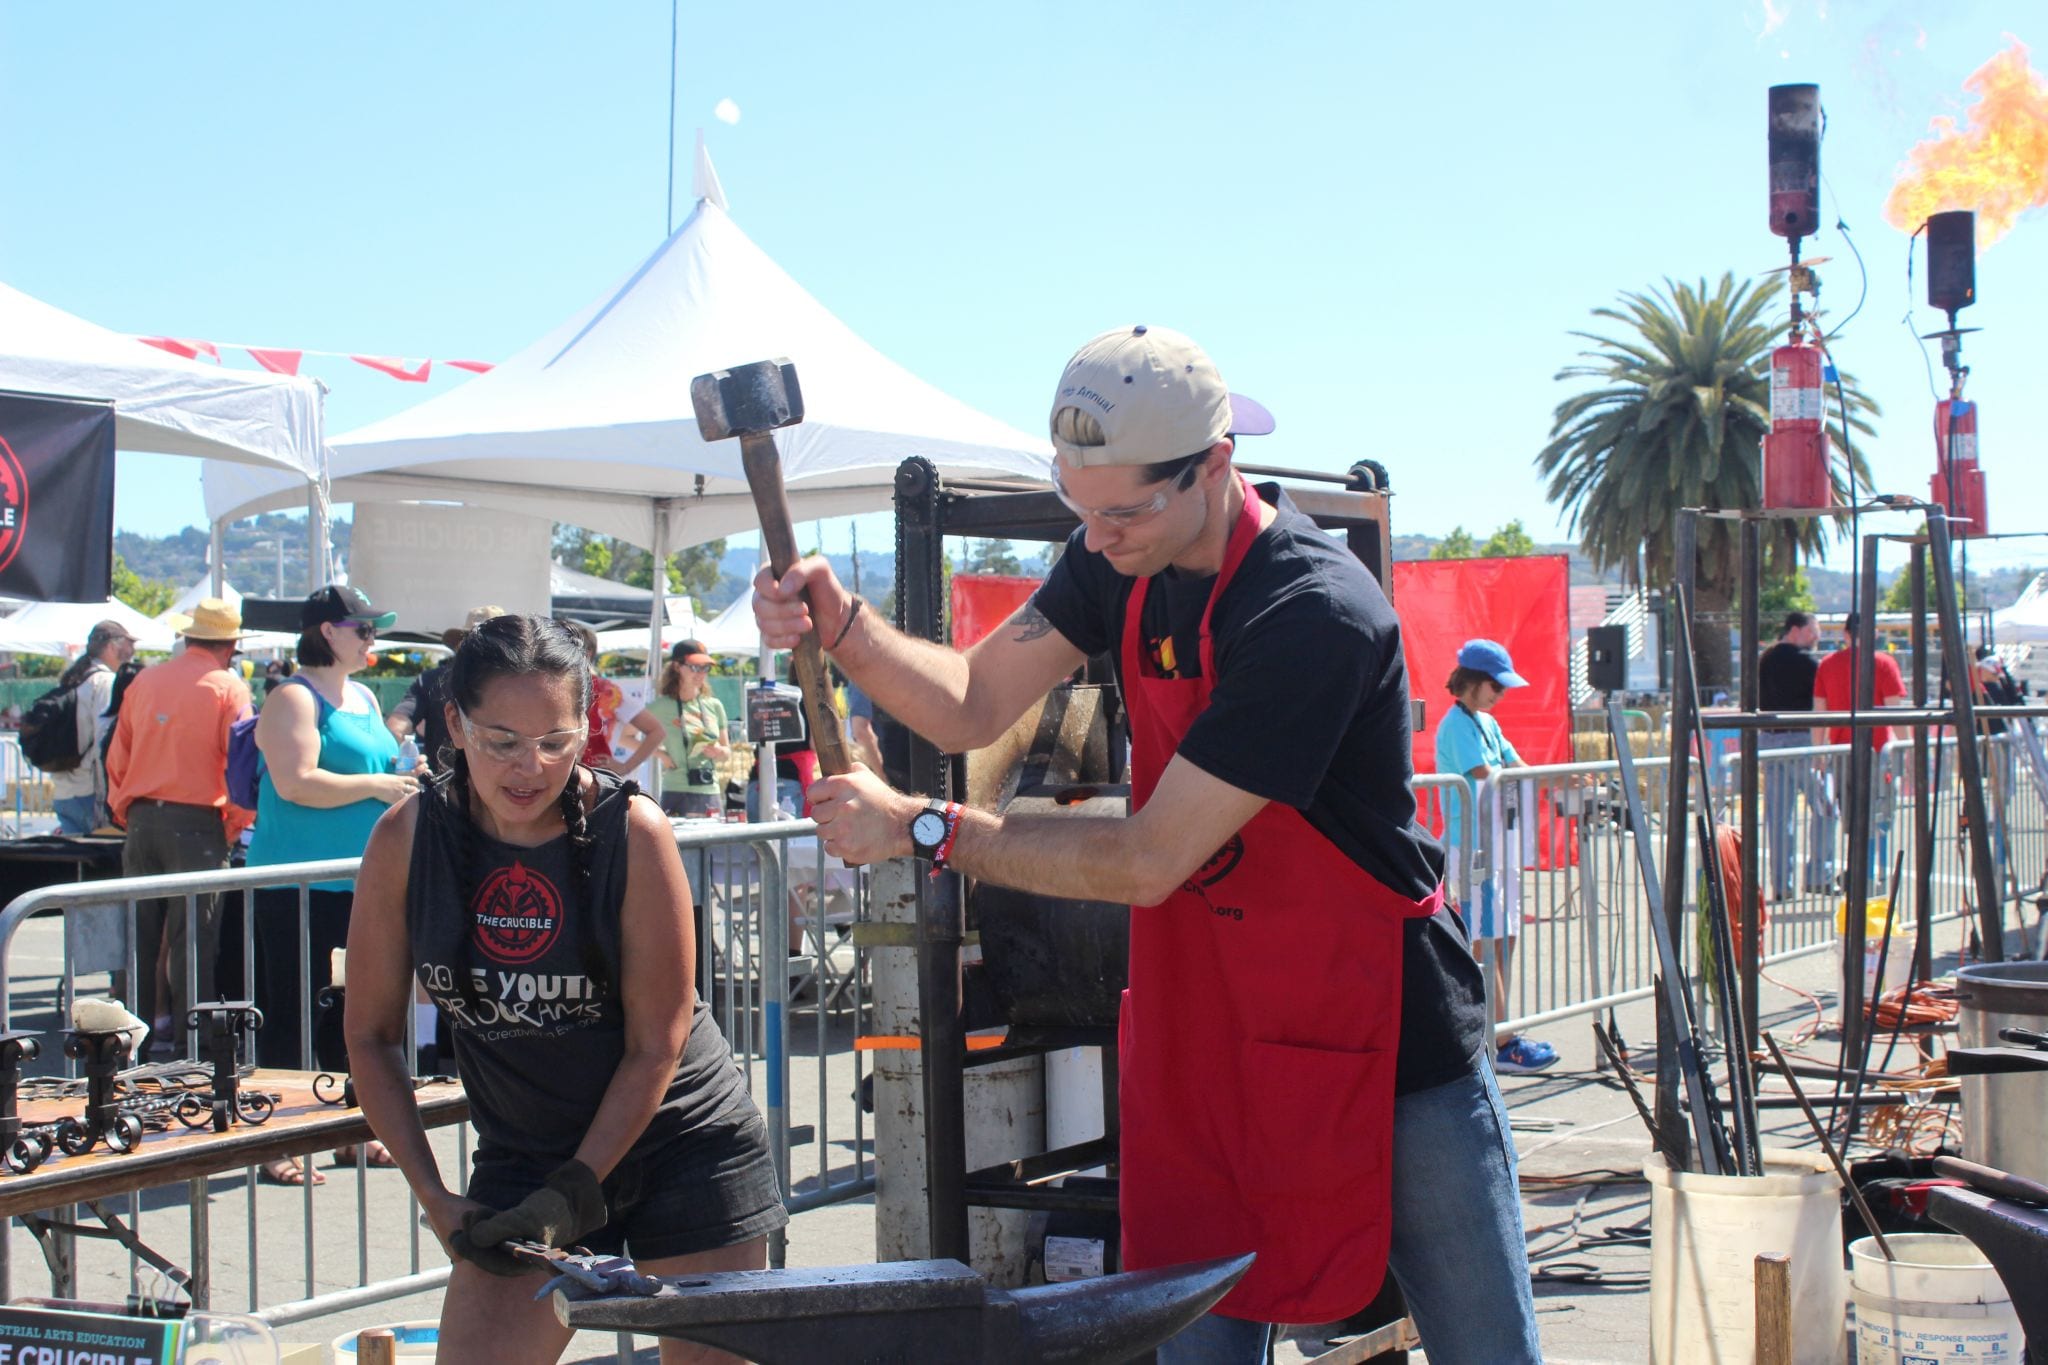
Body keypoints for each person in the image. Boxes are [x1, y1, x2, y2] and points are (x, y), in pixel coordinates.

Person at [753, 325, 1538, 1363]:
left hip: (1377, 1037)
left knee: (1486, 1349)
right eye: (1081, 507)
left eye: (1123, 510)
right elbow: (971, 702)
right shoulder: (1114, 557)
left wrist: (922, 827)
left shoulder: (1310, 611)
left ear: (1214, 466)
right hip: (1207, 1026)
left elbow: (1148, 858)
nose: (1099, 534)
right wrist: (841, 622)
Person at [343, 614, 785, 1363]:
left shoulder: (635, 832)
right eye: (502, 741)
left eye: (555, 742)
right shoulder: (407, 837)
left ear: (588, 728)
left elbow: (658, 1041)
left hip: (687, 1145)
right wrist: (436, 1196)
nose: (529, 768)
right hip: (528, 1152)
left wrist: (578, 1187)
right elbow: (371, 1036)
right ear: (454, 723)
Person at [245, 585, 416, 1185]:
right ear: (327, 631)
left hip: (358, 880)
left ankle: (351, 1132)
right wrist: (377, 788)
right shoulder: (292, 696)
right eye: (364, 629)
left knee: (355, 1012)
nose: (373, 639)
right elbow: (296, 783)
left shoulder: (364, 696)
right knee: (291, 1011)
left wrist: (398, 780)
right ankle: (278, 1141)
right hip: (297, 883)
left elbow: (372, 771)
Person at [106, 598, 254, 1055]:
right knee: (194, 942)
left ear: (188, 636)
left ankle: (124, 1049)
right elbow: (241, 765)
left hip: (143, 817)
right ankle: (197, 1053)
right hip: (198, 824)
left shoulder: (144, 680)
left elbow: (118, 756)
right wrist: (234, 822)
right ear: (230, 646)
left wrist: (126, 811)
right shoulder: (228, 687)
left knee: (140, 940)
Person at [1435, 640, 1557, 1075]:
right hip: (1472, 847)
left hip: (1496, 846)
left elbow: (1513, 762)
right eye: (1496, 686)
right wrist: (1536, 777)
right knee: (1484, 939)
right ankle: (1500, 1040)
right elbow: (1489, 773)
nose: (1501, 694)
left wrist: (1555, 779)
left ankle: (1500, 1031)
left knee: (1500, 938)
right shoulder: (1456, 725)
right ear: (1473, 682)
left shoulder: (1486, 722)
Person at [1813, 612, 1906, 881]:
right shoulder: (1884, 664)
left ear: (1845, 634)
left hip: (1842, 752)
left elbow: (1819, 712)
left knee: (1853, 818)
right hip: (1877, 751)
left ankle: (1860, 872)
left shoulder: (1827, 664)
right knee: (1880, 814)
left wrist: (1818, 752)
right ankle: (1875, 874)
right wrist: (1907, 747)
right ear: (1873, 634)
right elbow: (1894, 712)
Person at [1758, 611, 1833, 898]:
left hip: (1769, 739)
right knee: (1827, 807)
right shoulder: (1807, 663)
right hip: (1801, 740)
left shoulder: (1765, 660)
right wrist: (1820, 746)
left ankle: (1782, 885)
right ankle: (1818, 875)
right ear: (1795, 630)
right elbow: (1821, 702)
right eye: (1813, 630)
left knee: (1779, 818)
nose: (1817, 637)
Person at [390, 606, 505, 773]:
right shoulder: (431, 681)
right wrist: (405, 761)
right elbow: (398, 725)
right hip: (446, 790)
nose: (481, 648)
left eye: (489, 640)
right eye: (473, 640)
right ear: (460, 644)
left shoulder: (520, 686)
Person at [49, 620, 136, 834]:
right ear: (111, 646)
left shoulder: (73, 678)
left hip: (64, 791)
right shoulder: (105, 682)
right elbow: (104, 741)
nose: (132, 651)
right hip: (91, 793)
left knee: (75, 865)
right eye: (129, 644)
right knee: (104, 865)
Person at [565, 622, 667, 777]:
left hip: (594, 779)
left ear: (588, 653)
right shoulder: (545, 688)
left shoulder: (608, 692)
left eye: (563, 647)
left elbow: (656, 731)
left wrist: (625, 767)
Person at [655, 640, 729, 819]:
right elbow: (626, 735)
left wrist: (719, 751)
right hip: (675, 790)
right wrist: (661, 755)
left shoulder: (714, 705)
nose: (701, 673)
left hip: (709, 790)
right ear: (677, 666)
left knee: (713, 845)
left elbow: (727, 752)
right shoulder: (661, 706)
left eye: (705, 668)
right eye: (695, 667)